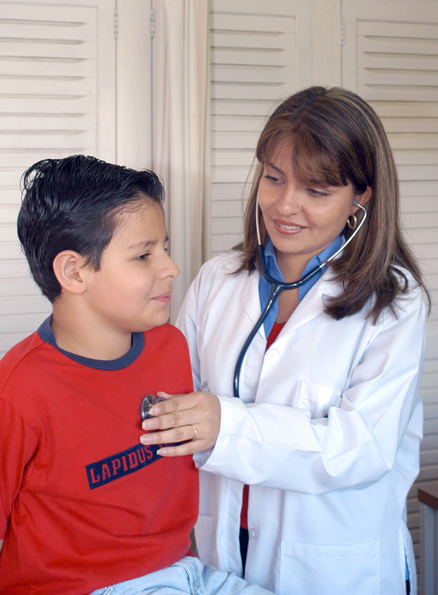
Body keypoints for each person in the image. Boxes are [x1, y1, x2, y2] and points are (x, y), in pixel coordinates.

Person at [139, 87, 428, 595]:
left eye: (317, 191)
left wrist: (224, 424)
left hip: (332, 569)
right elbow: (172, 404)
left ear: (362, 196)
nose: (285, 205)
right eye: (274, 178)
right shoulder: (217, 280)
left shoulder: (395, 304)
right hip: (221, 553)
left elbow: (358, 449)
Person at [0, 156, 275, 595]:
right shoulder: (18, 390)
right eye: (144, 254)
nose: (171, 268)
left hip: (183, 572)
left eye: (164, 247)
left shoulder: (169, 346)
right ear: (73, 272)